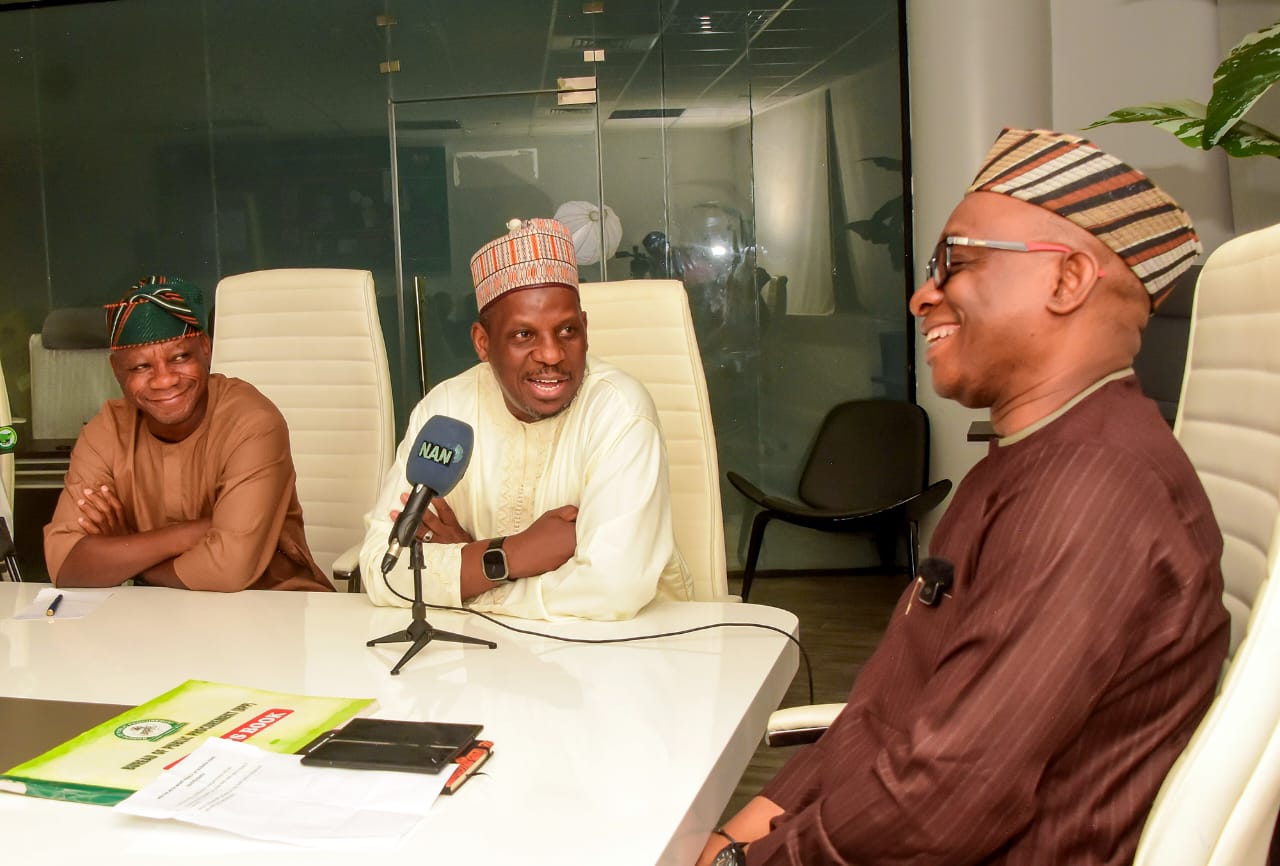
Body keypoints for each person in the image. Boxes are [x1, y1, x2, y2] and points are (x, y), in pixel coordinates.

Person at [698, 128, 1230, 866]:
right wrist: (747, 829)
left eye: (957, 262)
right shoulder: (1026, 460)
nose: (922, 296)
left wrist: (749, 862)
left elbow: (940, 802)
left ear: (1068, 279)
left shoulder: (1088, 490)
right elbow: (887, 709)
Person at [360, 217, 692, 620]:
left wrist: (470, 570)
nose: (551, 354)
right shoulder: (445, 409)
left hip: (626, 647)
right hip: (479, 648)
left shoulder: (619, 411)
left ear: (586, 329)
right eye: (524, 335)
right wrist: (508, 555)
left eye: (567, 331)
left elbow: (611, 589)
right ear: (483, 343)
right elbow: (382, 568)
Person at [43, 275, 332, 592]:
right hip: (154, 613)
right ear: (117, 371)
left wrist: (127, 554)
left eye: (180, 357)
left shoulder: (252, 423)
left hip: (274, 604)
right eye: (140, 367)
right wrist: (190, 534)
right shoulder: (106, 431)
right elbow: (66, 565)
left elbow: (227, 569)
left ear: (205, 349)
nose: (164, 380)